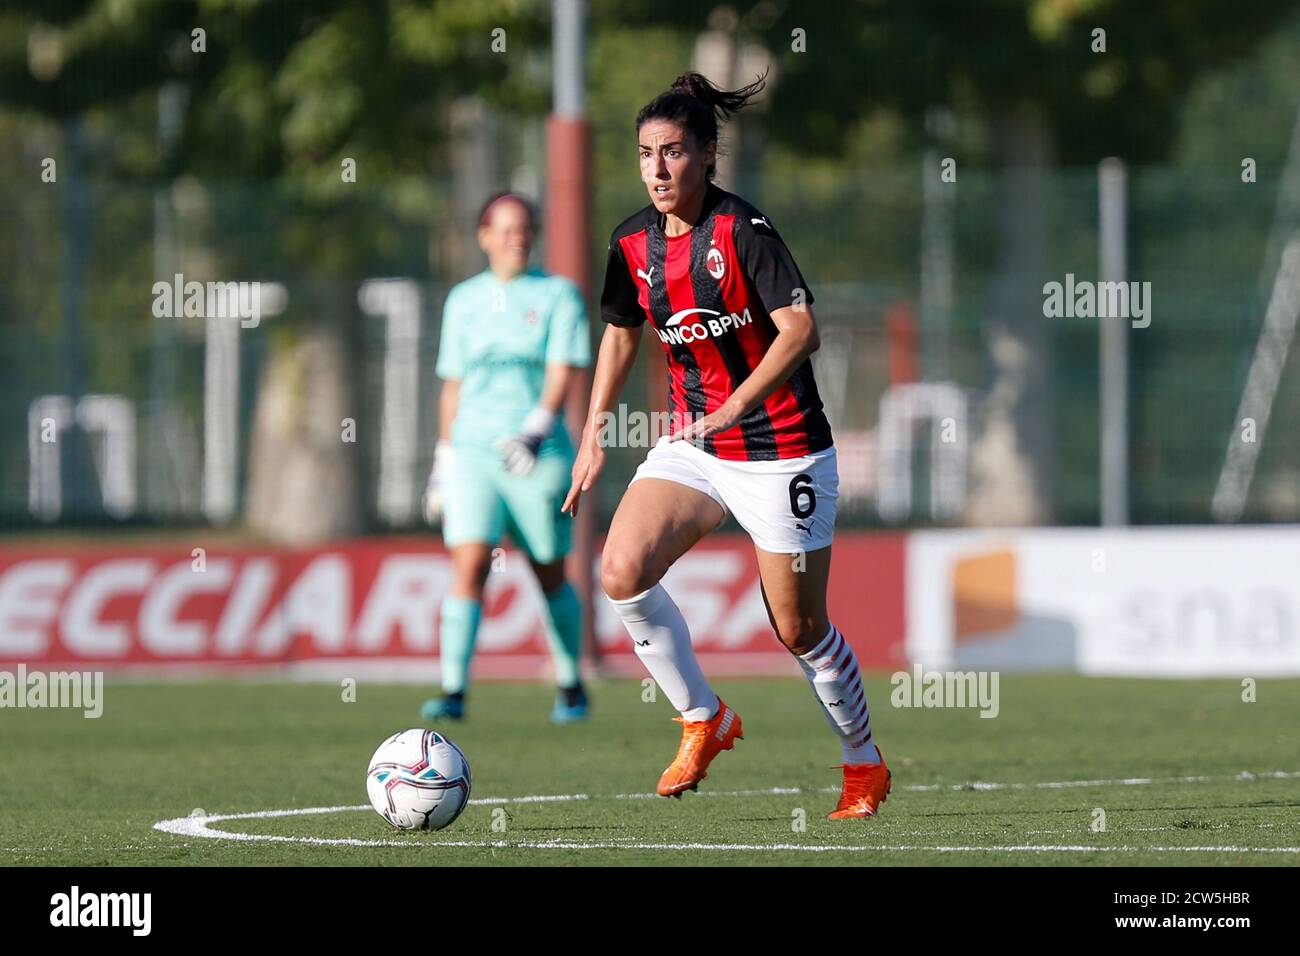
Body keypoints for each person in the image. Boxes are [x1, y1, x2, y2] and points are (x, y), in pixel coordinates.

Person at [562, 72, 891, 818]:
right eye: (646, 154)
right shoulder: (630, 243)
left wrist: (742, 400)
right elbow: (620, 332)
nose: (657, 169)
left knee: (798, 628)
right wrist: (592, 438)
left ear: (708, 155)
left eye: (674, 152)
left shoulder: (744, 231)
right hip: (699, 447)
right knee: (620, 569)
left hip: (783, 449)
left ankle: (862, 764)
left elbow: (801, 330)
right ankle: (703, 717)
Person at [422, 191, 592, 724]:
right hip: (473, 450)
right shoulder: (463, 300)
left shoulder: (559, 295)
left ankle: (569, 682)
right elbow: (453, 384)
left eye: (524, 228)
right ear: (484, 236)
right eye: (505, 228)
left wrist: (536, 431)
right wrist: (443, 461)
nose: (515, 237)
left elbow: (562, 369)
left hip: (538, 450)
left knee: (547, 568)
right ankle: (454, 691)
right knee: (470, 563)